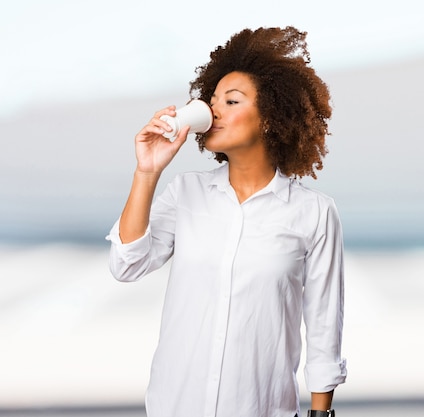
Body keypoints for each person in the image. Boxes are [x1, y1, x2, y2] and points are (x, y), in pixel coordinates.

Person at [106, 26, 346, 417]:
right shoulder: (186, 193)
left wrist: (321, 413)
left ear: (269, 117)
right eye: (212, 99)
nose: (214, 110)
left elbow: (323, 327)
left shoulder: (314, 213)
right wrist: (146, 171)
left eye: (231, 101)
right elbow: (126, 265)